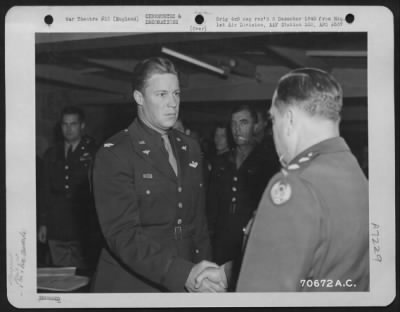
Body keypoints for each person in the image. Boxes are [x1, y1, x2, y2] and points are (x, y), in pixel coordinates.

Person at [195, 68, 370, 292]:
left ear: (289, 119)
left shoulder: (295, 187)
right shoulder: (354, 175)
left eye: (273, 119)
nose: (272, 130)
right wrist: (227, 273)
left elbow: (261, 295)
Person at [91, 57, 223, 293]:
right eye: (161, 94)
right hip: (135, 284)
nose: (172, 103)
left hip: (187, 279)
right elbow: (123, 236)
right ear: (139, 98)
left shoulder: (189, 147)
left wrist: (205, 274)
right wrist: (183, 273)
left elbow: (198, 224)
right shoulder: (116, 153)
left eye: (176, 93)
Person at [206, 104, 279, 285]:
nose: (237, 128)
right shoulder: (221, 163)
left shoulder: (268, 163)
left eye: (244, 122)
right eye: (234, 124)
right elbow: (211, 206)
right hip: (220, 244)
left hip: (251, 244)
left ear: (255, 126)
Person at [38, 106, 97, 269]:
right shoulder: (51, 153)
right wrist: (43, 223)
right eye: (65, 124)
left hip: (83, 224)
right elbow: (45, 190)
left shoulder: (94, 152)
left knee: (84, 274)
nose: (69, 129)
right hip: (56, 224)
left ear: (82, 126)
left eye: (73, 124)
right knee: (61, 274)